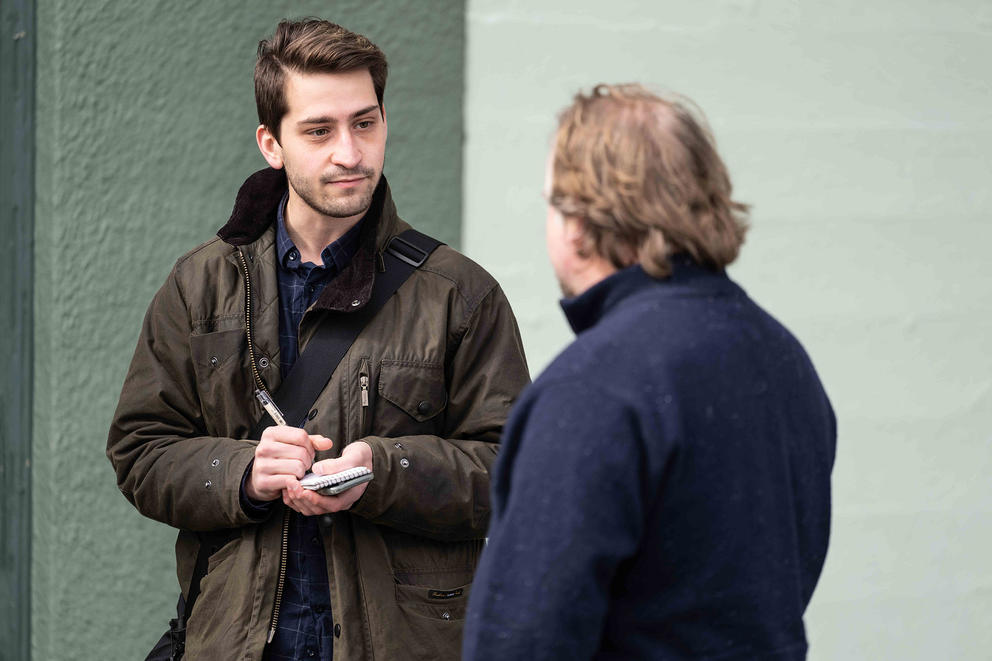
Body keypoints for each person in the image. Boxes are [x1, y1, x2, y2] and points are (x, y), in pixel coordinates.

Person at [107, 18, 529, 661]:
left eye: (366, 123)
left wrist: (385, 470)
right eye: (318, 130)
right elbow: (140, 452)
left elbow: (515, 473)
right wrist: (243, 471)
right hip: (236, 644)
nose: (350, 153)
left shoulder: (461, 294)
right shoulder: (198, 285)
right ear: (270, 143)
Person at [462, 84, 836, 660]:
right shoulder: (783, 358)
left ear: (580, 224)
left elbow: (523, 638)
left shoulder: (592, 387)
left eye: (551, 204)